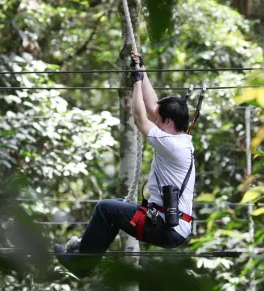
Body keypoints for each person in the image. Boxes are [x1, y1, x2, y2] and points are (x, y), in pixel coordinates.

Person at [53, 51, 196, 278]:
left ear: (168, 122)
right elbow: (151, 108)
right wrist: (142, 70)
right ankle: (84, 260)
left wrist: (136, 83)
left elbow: (140, 118)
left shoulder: (172, 145)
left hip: (167, 227)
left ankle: (81, 263)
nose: (155, 121)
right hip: (170, 224)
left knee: (104, 208)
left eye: (159, 120)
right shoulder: (180, 138)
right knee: (115, 207)